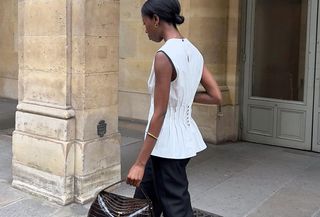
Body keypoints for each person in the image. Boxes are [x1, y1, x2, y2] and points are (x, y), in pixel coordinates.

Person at [126, 0, 222, 216]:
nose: (145, 29)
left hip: (168, 144)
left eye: (145, 23)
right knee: (144, 200)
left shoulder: (164, 56)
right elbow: (215, 95)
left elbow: (160, 113)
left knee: (176, 208)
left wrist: (139, 163)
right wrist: (182, 95)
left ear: (156, 19)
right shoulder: (194, 52)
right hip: (171, 142)